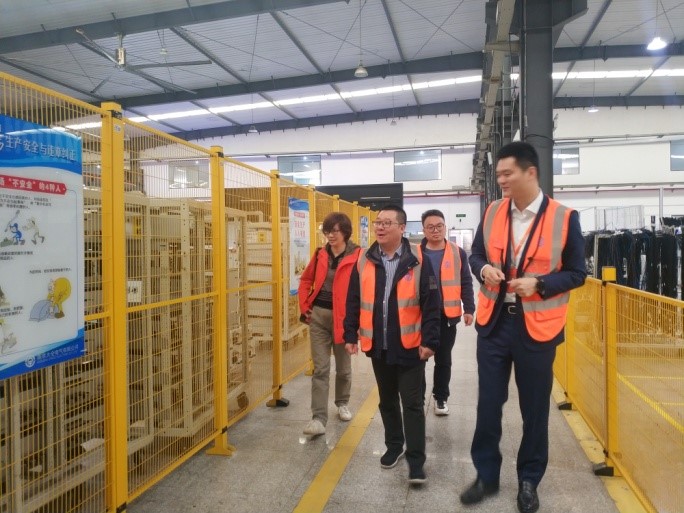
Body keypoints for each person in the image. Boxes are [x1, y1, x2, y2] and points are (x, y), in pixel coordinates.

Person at [459, 142, 586, 513]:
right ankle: (486, 475)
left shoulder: (564, 218)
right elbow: (476, 255)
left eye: (507, 173)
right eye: (498, 174)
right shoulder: (493, 211)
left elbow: (577, 273)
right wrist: (484, 269)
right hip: (495, 324)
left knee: (534, 409)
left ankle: (529, 479)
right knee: (488, 405)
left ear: (531, 172)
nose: (500, 180)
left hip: (538, 328)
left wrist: (540, 284)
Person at [343, 204, 441, 485]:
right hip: (378, 345)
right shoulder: (365, 259)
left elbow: (431, 304)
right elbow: (353, 299)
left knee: (412, 403)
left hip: (410, 345)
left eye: (387, 223)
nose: (380, 227)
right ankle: (394, 445)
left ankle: (416, 460)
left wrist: (430, 341)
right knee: (386, 400)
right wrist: (350, 334)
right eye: (378, 222)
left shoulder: (418, 260)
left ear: (401, 228)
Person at [298, 212, 361, 436]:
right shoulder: (320, 254)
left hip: (344, 320)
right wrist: (304, 305)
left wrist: (359, 319)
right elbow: (306, 280)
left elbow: (365, 287)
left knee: (343, 368)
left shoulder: (358, 256)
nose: (331, 235)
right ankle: (318, 418)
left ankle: (342, 402)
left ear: (345, 232)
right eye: (327, 231)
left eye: (335, 231)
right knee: (321, 369)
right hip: (319, 317)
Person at [416, 209, 475, 415]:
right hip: (420, 316)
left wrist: (469, 308)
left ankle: (440, 398)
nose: (435, 230)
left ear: (445, 227)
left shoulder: (457, 252)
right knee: (419, 360)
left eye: (439, 226)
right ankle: (418, 399)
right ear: (424, 230)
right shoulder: (415, 253)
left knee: (444, 360)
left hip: (447, 316)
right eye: (430, 227)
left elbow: (466, 281)